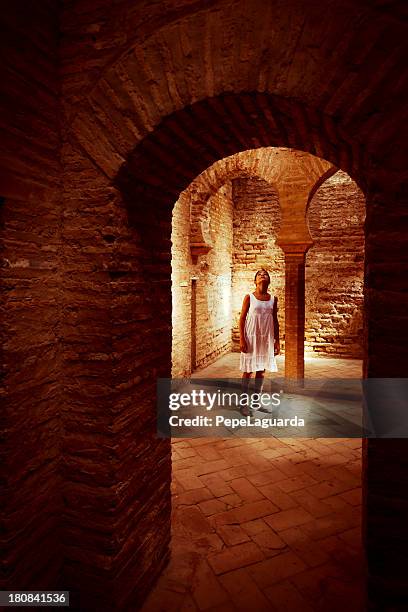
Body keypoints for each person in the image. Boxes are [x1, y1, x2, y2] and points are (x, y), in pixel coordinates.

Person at [239, 268, 280, 416]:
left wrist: (277, 341)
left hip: (266, 337)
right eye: (259, 275)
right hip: (251, 336)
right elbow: (242, 318)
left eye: (265, 275)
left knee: (261, 371)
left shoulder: (273, 299)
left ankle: (256, 402)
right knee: (248, 370)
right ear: (255, 280)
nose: (262, 276)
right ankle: (243, 404)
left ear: (268, 280)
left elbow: (275, 320)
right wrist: (242, 339)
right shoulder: (249, 297)